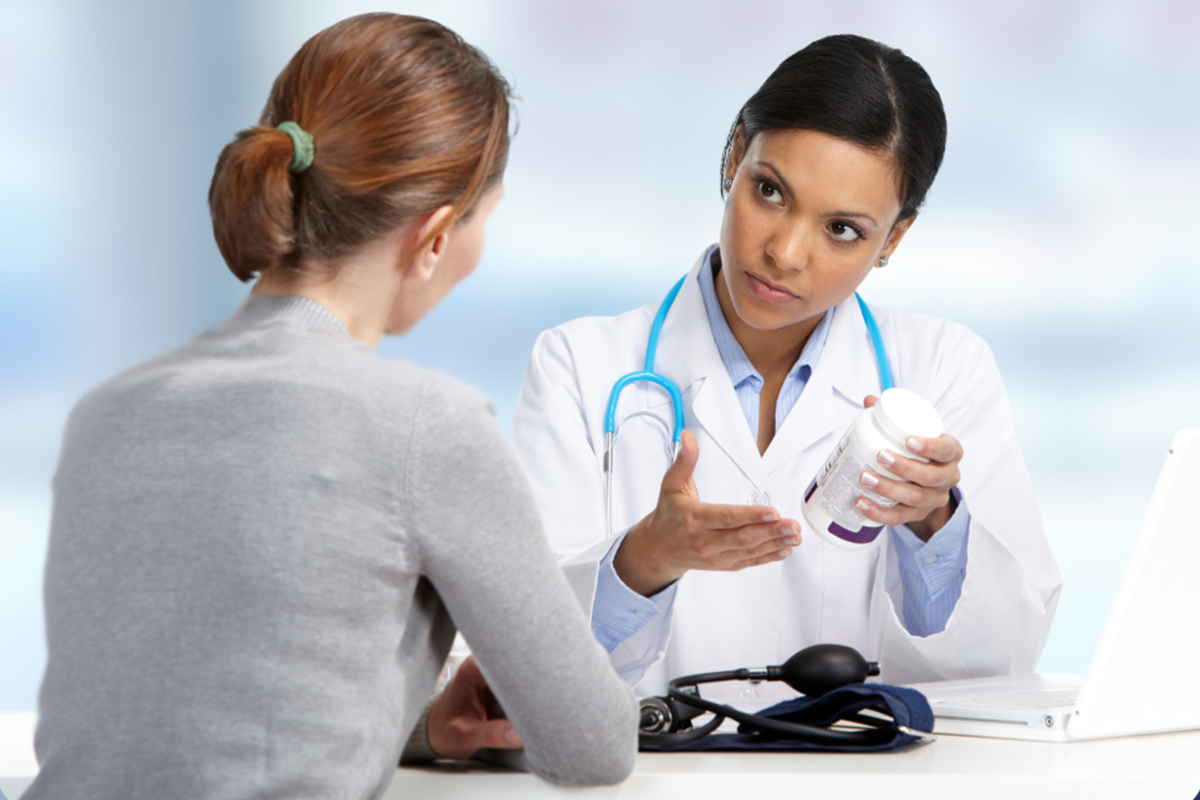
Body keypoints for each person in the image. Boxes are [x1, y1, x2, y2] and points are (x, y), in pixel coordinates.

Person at [27, 14, 636, 799]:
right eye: (488, 214)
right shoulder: (428, 425)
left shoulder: (105, 415)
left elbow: (172, 709)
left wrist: (418, 721)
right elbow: (592, 745)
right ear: (438, 236)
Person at [513, 34, 1062, 700]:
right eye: (770, 191)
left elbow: (1001, 669)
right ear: (734, 155)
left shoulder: (943, 369)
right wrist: (646, 560)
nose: (786, 252)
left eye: (843, 230)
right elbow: (521, 656)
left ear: (893, 239)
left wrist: (933, 522)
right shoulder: (580, 366)